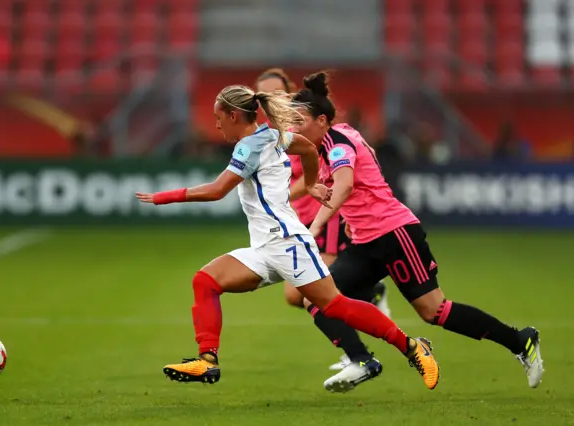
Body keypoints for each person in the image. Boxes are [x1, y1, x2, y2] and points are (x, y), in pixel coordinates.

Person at [136, 84, 440, 391]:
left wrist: (163, 197)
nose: (216, 125)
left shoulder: (249, 146)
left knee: (333, 305)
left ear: (232, 115)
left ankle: (413, 347)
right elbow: (308, 148)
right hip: (265, 247)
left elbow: (217, 190)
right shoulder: (273, 135)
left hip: (287, 244)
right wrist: (311, 183)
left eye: (218, 117)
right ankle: (207, 360)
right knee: (205, 281)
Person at [291, 71, 544, 389]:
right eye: (291, 121)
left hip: (394, 234)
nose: (293, 128)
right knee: (317, 299)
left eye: (299, 121)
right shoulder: (321, 143)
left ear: (322, 121)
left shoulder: (339, 143)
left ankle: (520, 341)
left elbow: (343, 185)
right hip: (365, 242)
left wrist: (314, 226)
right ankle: (361, 361)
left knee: (433, 310)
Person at [255, 68, 391, 391]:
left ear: (288, 91)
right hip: (298, 220)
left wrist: (285, 194)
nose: (268, 100)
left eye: (275, 92)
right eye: (262, 95)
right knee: (299, 295)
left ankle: (357, 354)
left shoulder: (303, 127)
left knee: (312, 291)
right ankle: (367, 300)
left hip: (322, 215)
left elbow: (320, 176)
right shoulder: (271, 130)